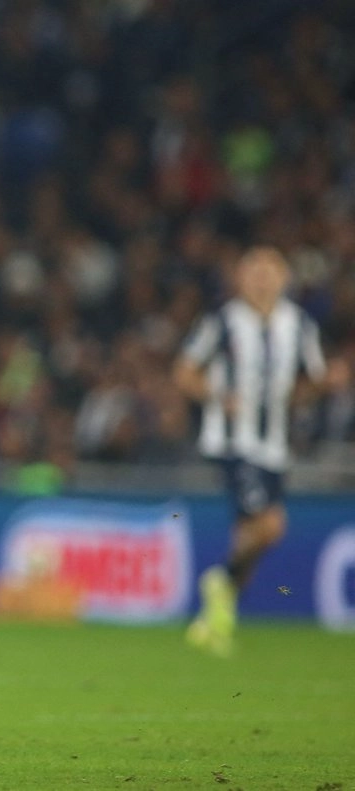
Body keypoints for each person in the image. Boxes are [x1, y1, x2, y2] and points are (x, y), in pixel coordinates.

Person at [174, 245, 347, 656]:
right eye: (254, 269)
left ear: (285, 278)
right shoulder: (221, 321)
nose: (263, 277)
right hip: (233, 442)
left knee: (249, 537)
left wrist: (327, 383)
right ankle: (218, 582)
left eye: (271, 269)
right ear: (239, 277)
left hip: (275, 446)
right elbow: (184, 372)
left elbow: (304, 390)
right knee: (271, 526)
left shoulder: (299, 325)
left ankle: (214, 621)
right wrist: (216, 395)